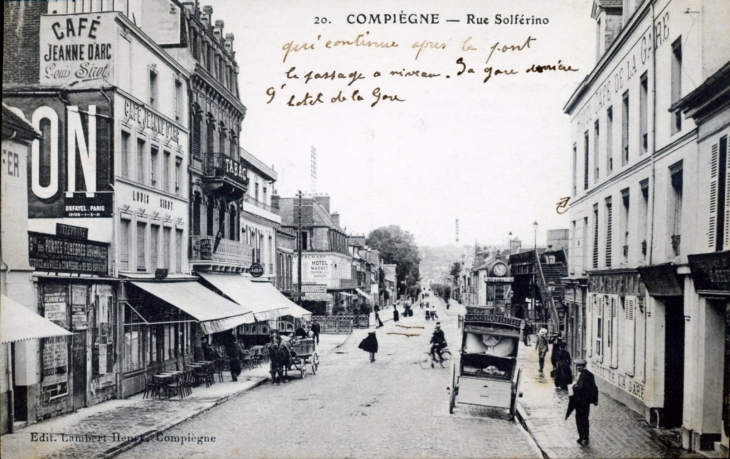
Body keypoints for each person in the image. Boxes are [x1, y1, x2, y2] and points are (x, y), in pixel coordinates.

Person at [566, 359, 599, 445]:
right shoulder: (588, 374)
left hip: (581, 402)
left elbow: (581, 388)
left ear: (583, 366)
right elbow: (594, 388)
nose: (577, 368)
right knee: (584, 419)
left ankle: (582, 437)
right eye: (577, 366)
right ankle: (584, 436)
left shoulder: (584, 376)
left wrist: (574, 387)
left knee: (580, 419)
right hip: (585, 402)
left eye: (579, 366)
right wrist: (594, 400)